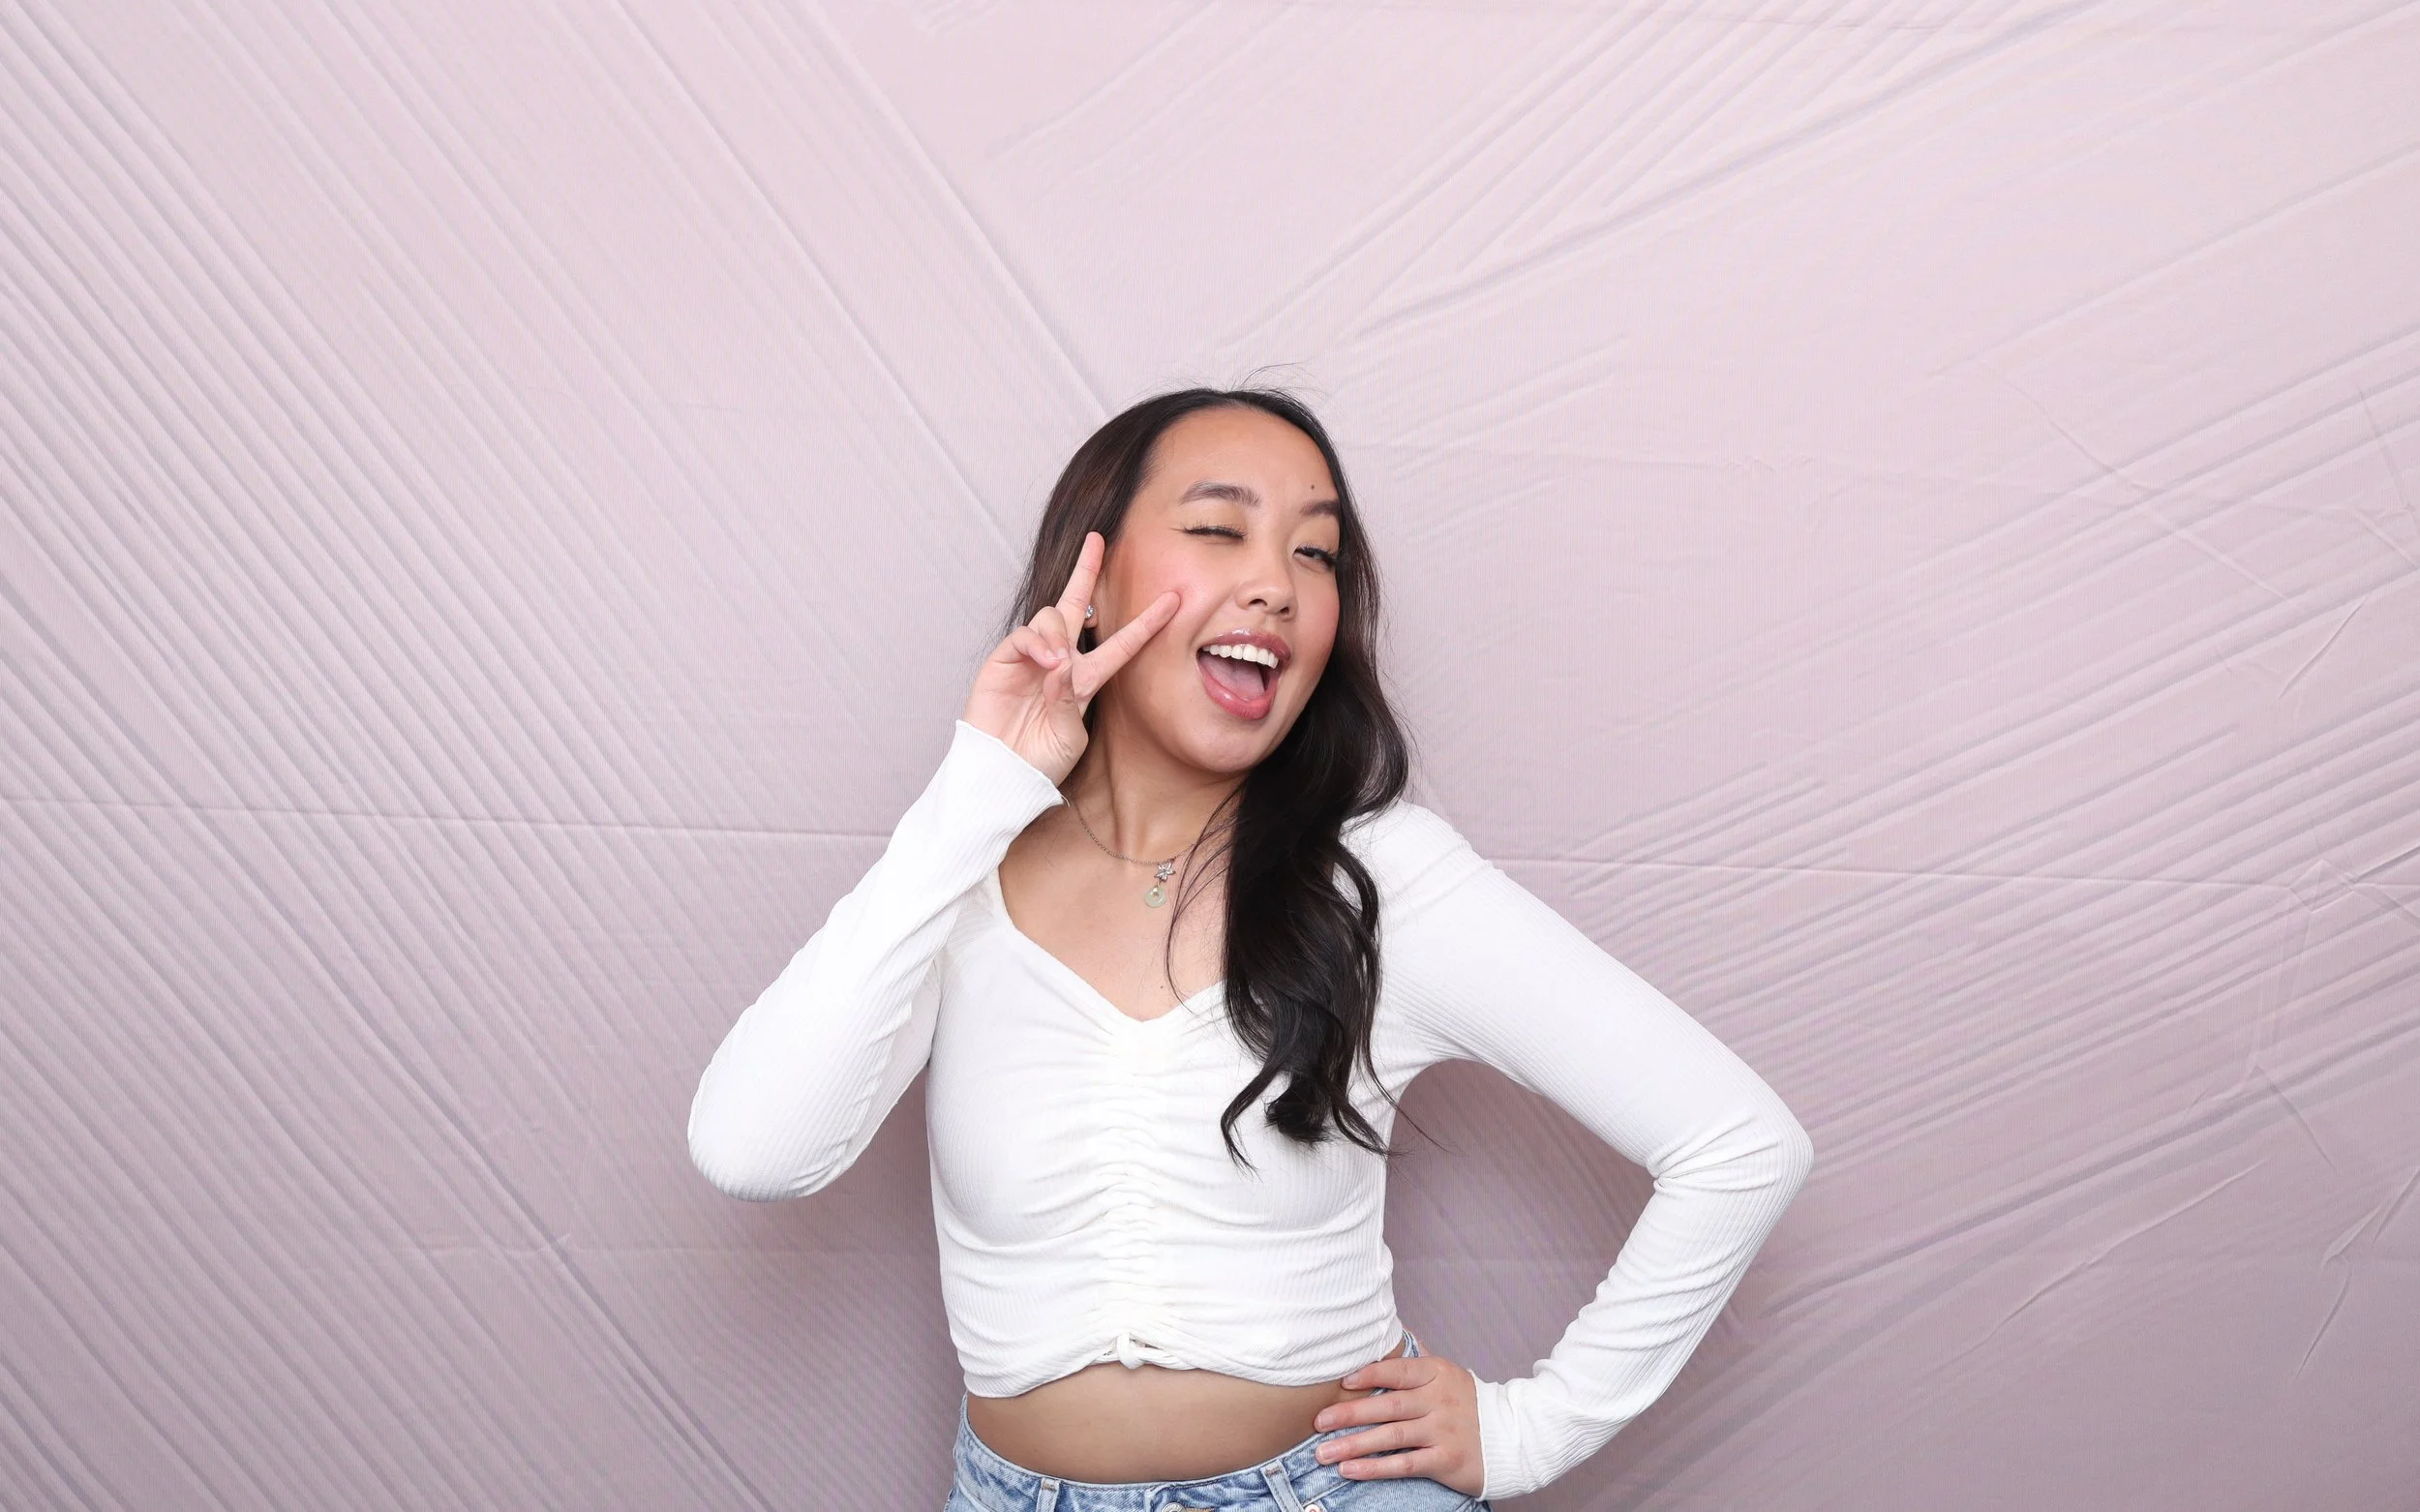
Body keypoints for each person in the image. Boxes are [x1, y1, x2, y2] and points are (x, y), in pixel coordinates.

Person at [686, 387, 1814, 1509]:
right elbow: (753, 1146)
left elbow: (1738, 1143)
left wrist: (1530, 1430)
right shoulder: (960, 875)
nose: (1275, 582)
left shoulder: (1382, 879)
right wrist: (976, 792)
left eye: (1315, 553)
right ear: (1095, 573)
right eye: (1219, 528)